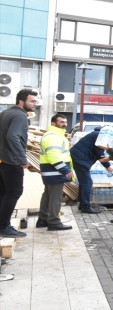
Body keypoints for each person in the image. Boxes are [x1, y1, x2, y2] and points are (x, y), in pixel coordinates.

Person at [0, 89, 38, 238]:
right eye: (32, 101)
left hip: (3, 160)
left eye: (35, 101)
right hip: (12, 161)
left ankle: (2, 224)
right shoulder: (20, 116)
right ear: (21, 102)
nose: (35, 104)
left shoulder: (5, 113)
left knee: (3, 192)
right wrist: (22, 159)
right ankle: (4, 226)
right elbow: (13, 136)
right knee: (14, 192)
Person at [37, 114, 74, 231]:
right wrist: (65, 170)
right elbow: (53, 155)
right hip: (55, 172)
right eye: (61, 122)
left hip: (51, 171)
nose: (64, 124)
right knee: (55, 197)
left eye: (65, 122)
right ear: (53, 123)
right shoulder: (53, 136)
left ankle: (43, 219)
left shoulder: (54, 135)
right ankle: (54, 221)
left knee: (48, 195)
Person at [70, 127, 113, 213]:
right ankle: (86, 206)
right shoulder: (100, 137)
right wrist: (108, 166)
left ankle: (82, 204)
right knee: (87, 182)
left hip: (78, 158)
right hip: (80, 159)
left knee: (83, 182)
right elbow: (100, 154)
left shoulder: (96, 135)